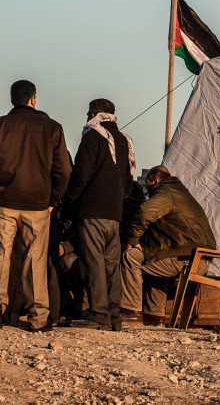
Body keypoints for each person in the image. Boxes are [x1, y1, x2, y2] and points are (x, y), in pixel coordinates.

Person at [0, 80, 71, 332]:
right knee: (35, 260)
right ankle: (39, 316)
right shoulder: (53, 128)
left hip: (1, 202)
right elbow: (63, 169)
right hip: (38, 205)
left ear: (13, 100)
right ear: (33, 99)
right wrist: (53, 199)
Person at [64, 98, 133, 331]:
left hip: (92, 210)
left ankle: (98, 314)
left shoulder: (93, 136)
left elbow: (81, 175)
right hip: (115, 213)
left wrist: (70, 202)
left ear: (94, 113)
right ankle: (114, 315)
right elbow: (130, 181)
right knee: (111, 265)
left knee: (93, 263)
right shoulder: (124, 141)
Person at [120, 165, 216, 326]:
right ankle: (155, 316)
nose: (146, 190)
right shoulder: (181, 194)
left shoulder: (166, 192)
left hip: (186, 258)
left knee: (130, 258)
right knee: (152, 259)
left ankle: (131, 312)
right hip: (200, 258)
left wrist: (133, 240)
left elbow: (144, 212)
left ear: (156, 181)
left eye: (148, 184)